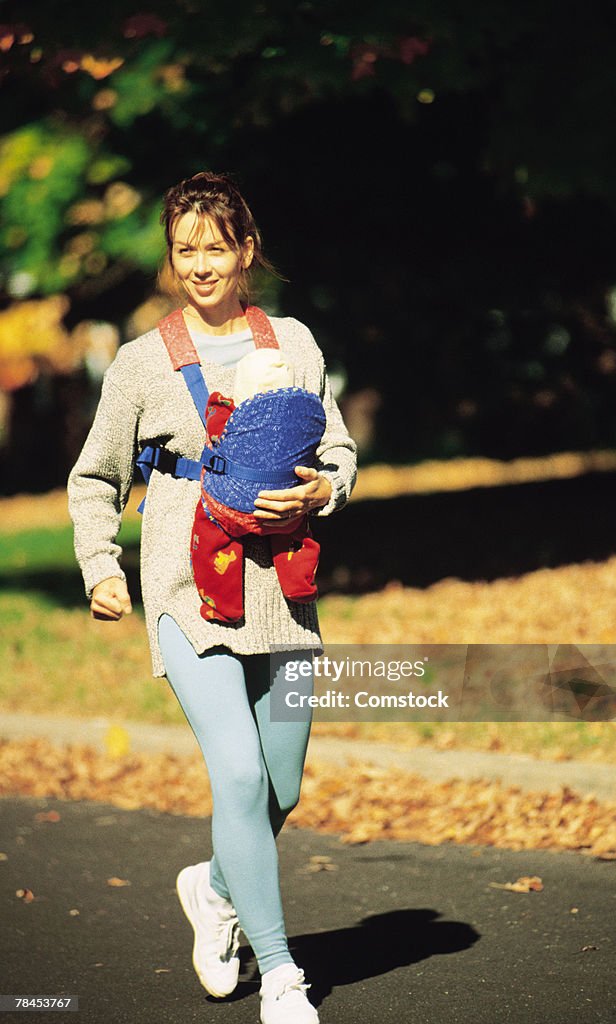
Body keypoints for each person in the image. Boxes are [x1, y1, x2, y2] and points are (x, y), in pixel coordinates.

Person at [67, 170, 358, 1023]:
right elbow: (95, 480)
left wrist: (318, 494)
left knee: (281, 788)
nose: (200, 264)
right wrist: (99, 565)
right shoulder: (140, 364)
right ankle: (283, 974)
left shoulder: (297, 344)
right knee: (235, 772)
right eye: (184, 249)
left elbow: (335, 450)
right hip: (185, 589)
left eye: (216, 247)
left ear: (246, 251)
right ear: (171, 259)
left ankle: (214, 886)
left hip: (286, 588)